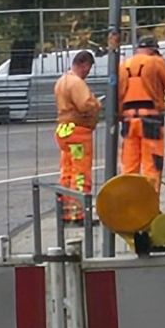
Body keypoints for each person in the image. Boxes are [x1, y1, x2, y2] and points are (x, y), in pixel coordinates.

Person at [117, 32, 165, 183]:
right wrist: (162, 63)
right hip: (151, 120)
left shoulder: (123, 65)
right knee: (152, 166)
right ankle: (150, 204)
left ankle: (128, 204)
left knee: (129, 166)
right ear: (154, 49)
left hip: (128, 120)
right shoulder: (156, 62)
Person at [53, 48, 102, 217]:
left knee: (67, 171)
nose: (87, 73)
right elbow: (85, 104)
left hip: (63, 130)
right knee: (81, 172)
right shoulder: (76, 83)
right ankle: (79, 212)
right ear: (84, 64)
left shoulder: (61, 81)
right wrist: (96, 105)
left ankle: (66, 211)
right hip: (78, 132)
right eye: (88, 68)